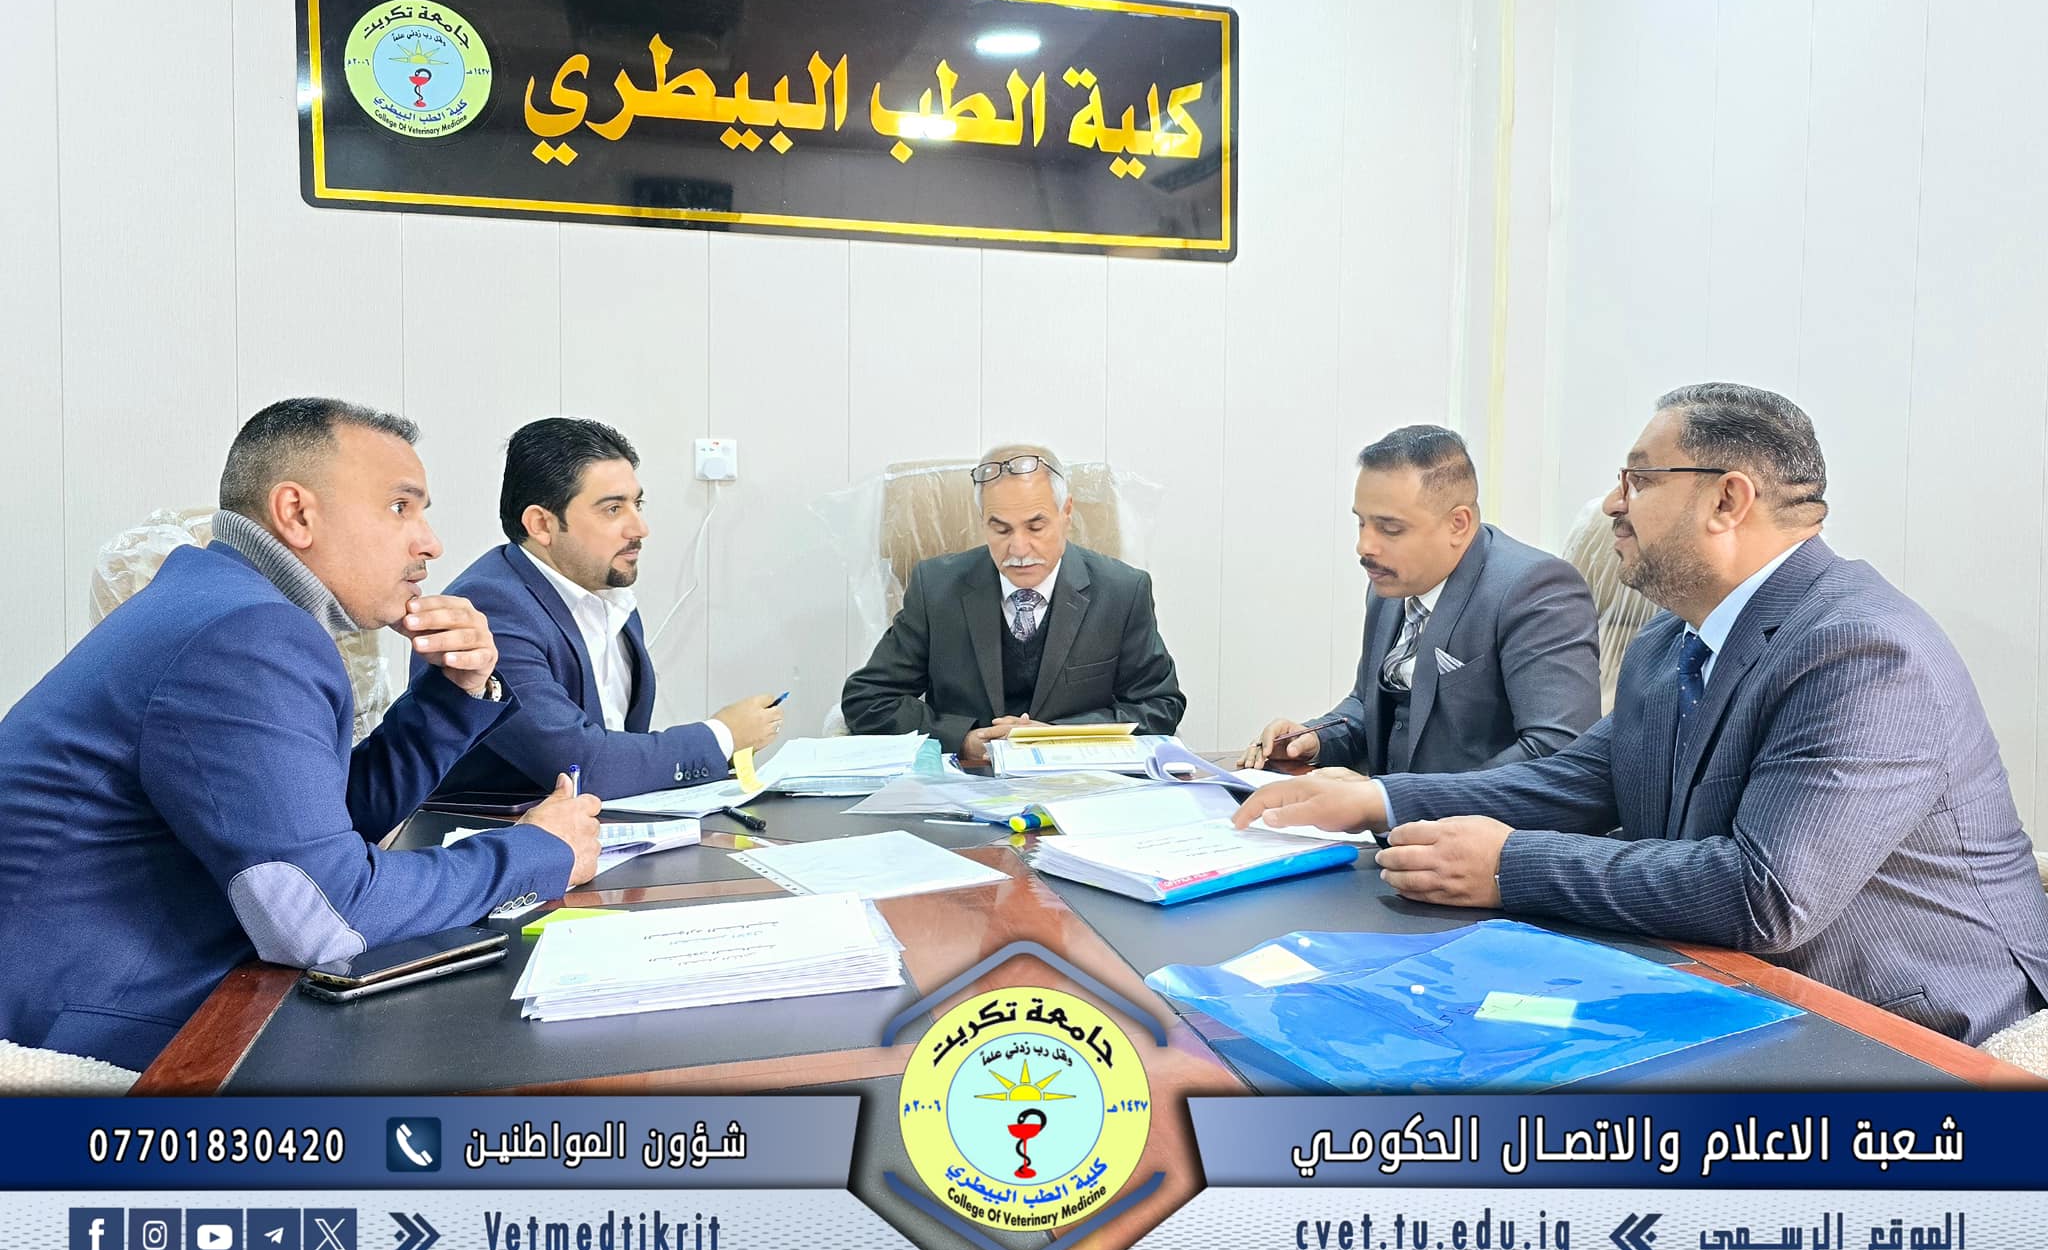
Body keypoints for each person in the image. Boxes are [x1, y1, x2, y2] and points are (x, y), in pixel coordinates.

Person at [1235, 384, 2048, 1044]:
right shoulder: (1670, 641)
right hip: (1731, 983)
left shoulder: (1865, 650)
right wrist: (1377, 800)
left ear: (1727, 500)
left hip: (1916, 1024)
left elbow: (1766, 896)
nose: (1611, 504)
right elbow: (1579, 781)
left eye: (1639, 480)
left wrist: (1510, 865)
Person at [0, 399, 599, 1070]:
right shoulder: (245, 632)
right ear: (296, 514)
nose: (429, 542)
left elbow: (325, 826)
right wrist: (538, 851)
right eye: (400, 507)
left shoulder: (225, 603)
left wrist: (456, 692)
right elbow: (323, 918)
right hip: (89, 1030)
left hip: (131, 988)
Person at [414, 419, 781, 799]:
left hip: (608, 822)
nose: (639, 528)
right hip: (495, 830)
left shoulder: (606, 594)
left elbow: (619, 748)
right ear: (541, 524)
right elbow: (581, 767)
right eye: (613, 509)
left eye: (637, 504)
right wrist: (723, 736)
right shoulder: (492, 609)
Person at [1243, 425, 1599, 774]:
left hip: (1471, 814)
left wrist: (1391, 798)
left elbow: (1556, 753)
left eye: (1390, 529)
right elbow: (1370, 706)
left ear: (1458, 524)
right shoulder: (1390, 586)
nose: (1364, 547)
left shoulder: (1536, 590)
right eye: (1361, 523)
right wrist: (1315, 738)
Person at [841, 444, 1185, 767]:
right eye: (1001, 530)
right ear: (982, 522)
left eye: (1036, 526)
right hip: (968, 782)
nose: (1019, 549)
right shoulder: (936, 589)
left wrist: (1058, 737)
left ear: (1066, 513)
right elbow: (867, 700)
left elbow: (1160, 705)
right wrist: (962, 740)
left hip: (1077, 783)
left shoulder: (1122, 591)